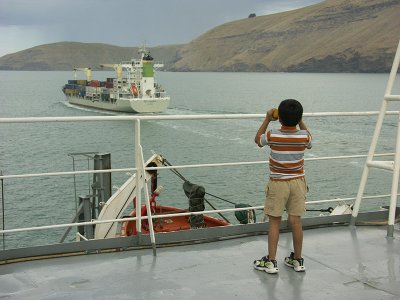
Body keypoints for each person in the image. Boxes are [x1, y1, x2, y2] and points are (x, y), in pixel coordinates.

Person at [253, 99, 312, 274]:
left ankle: (271, 262)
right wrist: (300, 120)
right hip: (298, 182)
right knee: (296, 221)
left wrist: (266, 119)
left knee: (274, 222)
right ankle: (298, 260)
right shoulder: (304, 136)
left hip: (278, 183)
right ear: (299, 118)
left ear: (279, 119)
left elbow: (257, 140)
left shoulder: (272, 135)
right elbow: (308, 137)